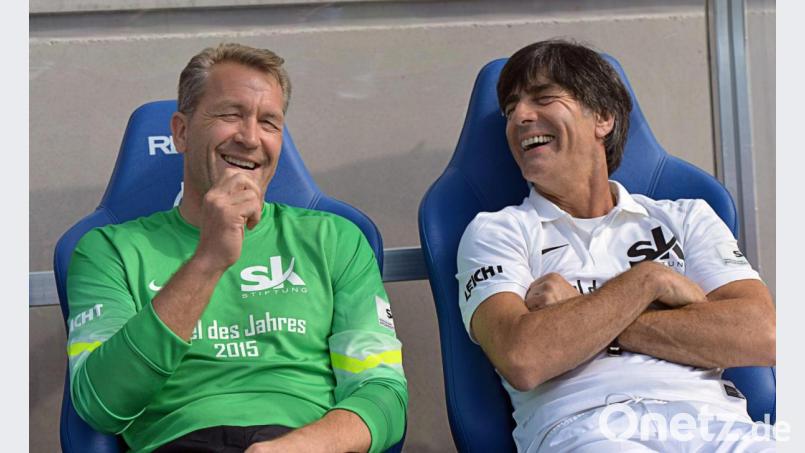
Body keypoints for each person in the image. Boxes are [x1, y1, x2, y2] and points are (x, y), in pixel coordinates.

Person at [65, 43, 407, 453]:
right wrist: (208, 260)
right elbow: (100, 404)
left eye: (269, 122)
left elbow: (384, 394)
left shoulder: (335, 239)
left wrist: (294, 448)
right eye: (230, 115)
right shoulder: (108, 250)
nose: (249, 137)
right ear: (181, 132)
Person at [456, 39, 776, 452]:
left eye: (544, 98)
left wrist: (579, 314)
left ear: (603, 117)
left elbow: (761, 335)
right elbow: (524, 357)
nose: (520, 116)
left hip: (720, 427)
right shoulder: (497, 232)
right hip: (588, 429)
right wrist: (649, 282)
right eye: (510, 109)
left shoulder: (687, 216)